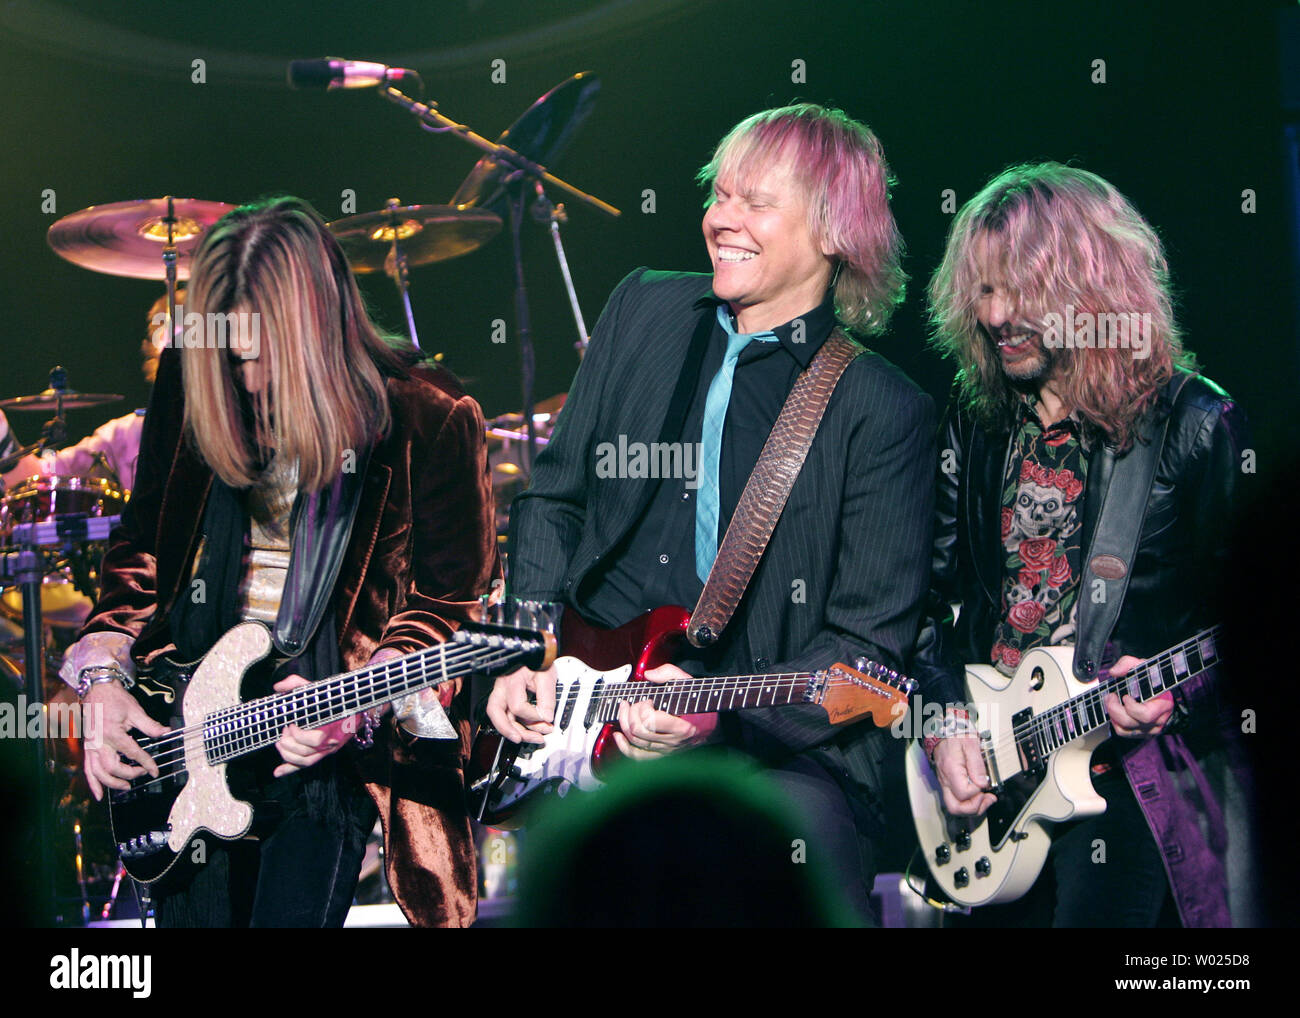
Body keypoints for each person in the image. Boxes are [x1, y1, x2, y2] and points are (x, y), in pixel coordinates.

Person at [486, 104, 936, 924]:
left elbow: (868, 679)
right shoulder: (643, 310)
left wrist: (711, 709)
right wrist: (525, 648)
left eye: (755, 201)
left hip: (773, 749)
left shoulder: (882, 409)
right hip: (589, 706)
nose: (721, 218)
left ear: (836, 231)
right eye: (718, 194)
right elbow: (552, 495)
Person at [59, 196, 499, 927]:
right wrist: (103, 680)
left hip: (325, 743)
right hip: (190, 730)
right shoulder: (194, 381)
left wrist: (356, 706)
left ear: (318, 331)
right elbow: (140, 552)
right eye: (230, 356)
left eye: (263, 353)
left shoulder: (429, 418)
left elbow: (447, 606)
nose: (248, 377)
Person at [915, 162, 1252, 927]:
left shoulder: (1194, 424)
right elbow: (926, 609)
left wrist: (1176, 694)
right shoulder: (976, 420)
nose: (997, 315)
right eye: (984, 290)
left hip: (1131, 778)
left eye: (1019, 291)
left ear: (1090, 286)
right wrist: (944, 727)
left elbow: (1254, 629)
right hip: (994, 783)